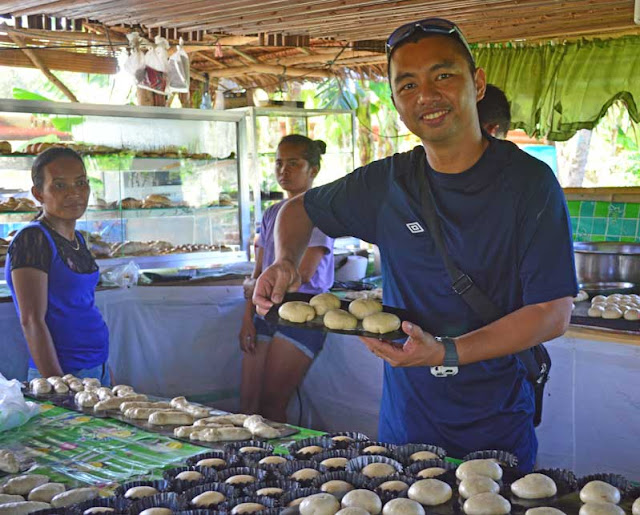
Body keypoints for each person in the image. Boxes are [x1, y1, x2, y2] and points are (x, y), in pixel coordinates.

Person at [252, 18, 577, 471]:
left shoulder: (528, 183)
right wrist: (284, 260)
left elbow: (552, 312)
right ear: (396, 102)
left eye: (443, 75)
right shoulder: (387, 183)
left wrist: (447, 351)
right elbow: (298, 210)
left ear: (477, 83)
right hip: (408, 416)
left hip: (494, 413)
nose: (426, 94)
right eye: (407, 84)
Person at [239, 134, 334, 422]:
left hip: (302, 313)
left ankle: (276, 465)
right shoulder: (271, 213)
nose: (284, 171)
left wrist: (255, 288)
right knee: (247, 406)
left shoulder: (321, 212)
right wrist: (247, 319)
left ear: (313, 170)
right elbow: (258, 273)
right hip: (265, 308)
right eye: (279, 163)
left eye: (294, 163)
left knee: (271, 406)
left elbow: (299, 275)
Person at [5, 147, 110, 384]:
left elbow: (81, 306)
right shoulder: (33, 240)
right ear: (38, 193)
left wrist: (104, 371)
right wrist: (60, 384)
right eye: (60, 185)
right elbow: (32, 320)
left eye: (81, 182)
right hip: (63, 375)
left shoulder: (78, 239)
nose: (75, 193)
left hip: (96, 367)